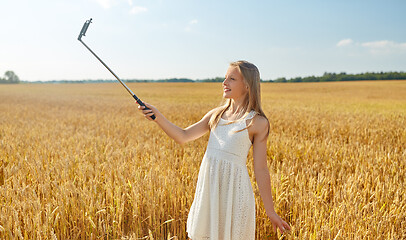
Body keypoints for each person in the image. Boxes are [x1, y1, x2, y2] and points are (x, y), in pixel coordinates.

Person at [138, 60, 291, 240]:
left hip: (235, 194)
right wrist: (157, 116)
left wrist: (271, 211)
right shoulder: (216, 115)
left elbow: (261, 169)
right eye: (225, 78)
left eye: (231, 79)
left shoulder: (257, 122)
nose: (224, 83)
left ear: (248, 85)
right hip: (210, 192)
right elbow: (183, 136)